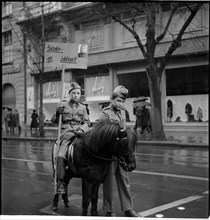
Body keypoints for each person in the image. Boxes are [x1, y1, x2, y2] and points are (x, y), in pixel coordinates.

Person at [99, 85, 141, 217]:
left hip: (121, 154)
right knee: (109, 183)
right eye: (118, 101)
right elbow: (101, 135)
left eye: (123, 101)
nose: (120, 104)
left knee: (124, 181)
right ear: (112, 99)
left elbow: (124, 131)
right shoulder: (105, 113)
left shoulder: (122, 112)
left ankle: (128, 209)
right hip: (110, 154)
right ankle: (109, 210)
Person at [51, 82, 91, 194]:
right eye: (73, 93)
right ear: (70, 94)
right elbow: (54, 121)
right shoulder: (62, 106)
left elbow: (87, 122)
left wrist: (82, 130)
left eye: (78, 93)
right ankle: (60, 182)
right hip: (67, 133)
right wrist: (57, 113)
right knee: (60, 155)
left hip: (80, 133)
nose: (76, 95)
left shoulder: (83, 107)